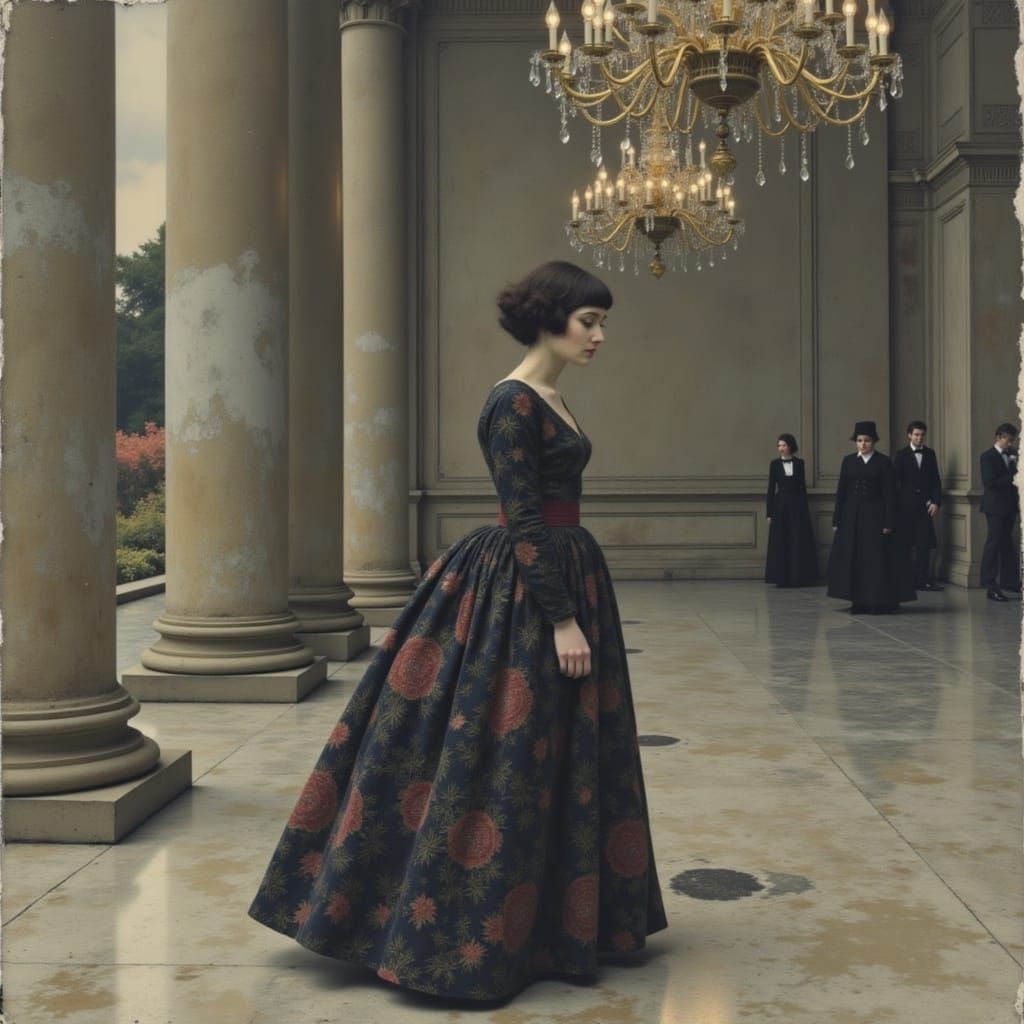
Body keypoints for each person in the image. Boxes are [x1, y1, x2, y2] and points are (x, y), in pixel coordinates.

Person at [248, 261, 667, 1000]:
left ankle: (554, 926)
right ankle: (460, 932)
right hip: (525, 590)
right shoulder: (512, 404)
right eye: (590, 320)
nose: (602, 334)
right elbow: (525, 518)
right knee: (498, 754)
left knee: (554, 757)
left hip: (563, 573)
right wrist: (563, 619)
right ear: (550, 318)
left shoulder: (553, 398)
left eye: (603, 321)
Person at [827, 421, 916, 614]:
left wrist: (889, 521)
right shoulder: (848, 461)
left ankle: (877, 601)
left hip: (876, 517)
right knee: (855, 559)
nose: (863, 444)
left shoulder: (883, 462)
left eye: (867, 440)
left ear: (874, 441)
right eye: (859, 440)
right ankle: (857, 601)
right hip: (852, 518)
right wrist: (837, 519)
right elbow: (841, 492)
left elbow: (890, 495)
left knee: (874, 560)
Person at [892, 420, 943, 592]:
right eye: (916, 434)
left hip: (925, 508)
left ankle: (923, 581)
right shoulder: (901, 455)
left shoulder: (930, 454)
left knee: (924, 545)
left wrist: (936, 501)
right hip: (905, 509)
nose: (919, 438)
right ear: (909, 435)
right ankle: (905, 580)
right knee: (905, 545)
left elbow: (936, 479)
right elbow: (894, 483)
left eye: (922, 435)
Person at [764, 433, 819, 587]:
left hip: (797, 506)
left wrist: (805, 510)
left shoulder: (800, 463)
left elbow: (802, 488)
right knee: (782, 540)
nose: (781, 448)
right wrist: (769, 512)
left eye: (784, 445)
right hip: (780, 506)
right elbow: (770, 489)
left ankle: (798, 577)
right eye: (779, 445)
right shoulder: (774, 464)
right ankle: (781, 578)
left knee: (797, 540)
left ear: (791, 446)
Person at [979, 422, 1020, 602]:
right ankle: (990, 586)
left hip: (1010, 506)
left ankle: (1009, 582)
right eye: (1008, 440)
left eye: (1012, 441)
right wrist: (1013, 475)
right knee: (994, 544)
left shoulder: (1014, 455)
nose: (1010, 444)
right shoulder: (987, 457)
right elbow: (990, 483)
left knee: (1006, 543)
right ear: (998, 437)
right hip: (995, 507)